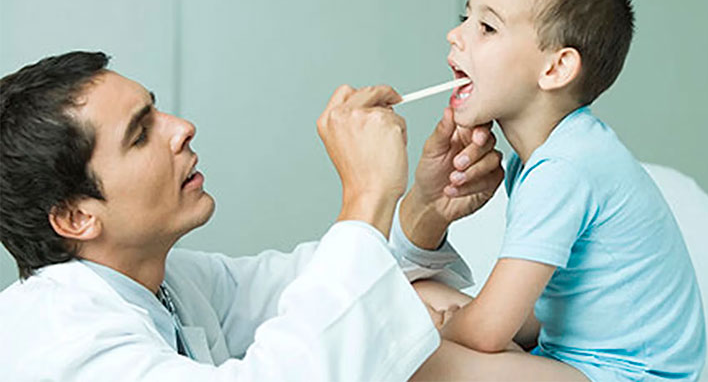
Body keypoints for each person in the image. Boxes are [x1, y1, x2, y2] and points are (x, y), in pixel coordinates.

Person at [0, 51, 506, 380]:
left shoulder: (163, 281)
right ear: (75, 217)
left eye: (156, 110)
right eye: (140, 134)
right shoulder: (62, 344)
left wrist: (423, 210)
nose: (182, 128)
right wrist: (368, 191)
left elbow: (302, 287)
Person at [414, 0, 706, 381]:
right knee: (415, 294)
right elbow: (545, 312)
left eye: (487, 27)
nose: (455, 35)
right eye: (466, 17)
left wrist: (439, 333)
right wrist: (445, 321)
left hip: (627, 376)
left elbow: (489, 332)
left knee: (409, 357)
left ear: (555, 68)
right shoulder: (543, 158)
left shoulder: (565, 168)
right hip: (570, 360)